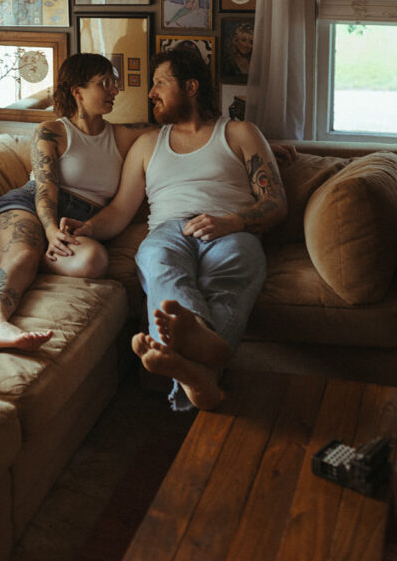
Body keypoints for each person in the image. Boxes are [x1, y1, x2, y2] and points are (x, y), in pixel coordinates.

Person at [60, 47, 287, 412]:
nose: (151, 93)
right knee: (158, 258)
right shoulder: (148, 144)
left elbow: (277, 202)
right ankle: (202, 354)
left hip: (231, 230)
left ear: (191, 86)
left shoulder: (240, 133)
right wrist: (84, 227)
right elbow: (120, 211)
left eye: (160, 83)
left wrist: (232, 222)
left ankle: (195, 367)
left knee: (232, 268)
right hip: (169, 230)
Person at [0, 52, 151, 355]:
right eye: (105, 82)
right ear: (77, 91)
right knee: (23, 258)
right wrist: (50, 230)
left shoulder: (122, 136)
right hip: (31, 206)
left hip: (80, 221)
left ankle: (4, 251)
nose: (114, 90)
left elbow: (171, 130)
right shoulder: (52, 131)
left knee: (94, 261)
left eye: (115, 83)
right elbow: (45, 191)